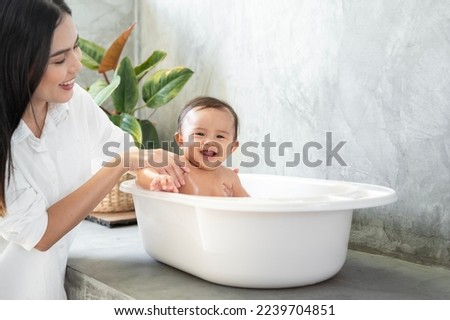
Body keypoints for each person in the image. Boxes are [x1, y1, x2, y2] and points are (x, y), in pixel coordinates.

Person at [0, 0, 187, 299]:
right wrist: (121, 164)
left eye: (75, 46)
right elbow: (40, 234)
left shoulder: (75, 105)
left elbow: (123, 149)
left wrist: (157, 179)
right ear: (16, 62)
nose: (76, 64)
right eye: (59, 60)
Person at [136, 96, 250, 197]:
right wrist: (156, 179)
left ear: (232, 148)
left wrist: (233, 201)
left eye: (220, 136)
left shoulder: (230, 178)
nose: (210, 141)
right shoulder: (176, 166)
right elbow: (142, 174)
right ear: (181, 140)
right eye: (200, 134)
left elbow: (249, 205)